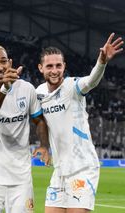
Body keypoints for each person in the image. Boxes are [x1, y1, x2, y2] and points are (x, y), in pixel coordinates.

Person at [36, 33, 123, 213]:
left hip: (82, 167)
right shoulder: (39, 93)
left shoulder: (72, 86)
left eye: (58, 65)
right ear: (40, 68)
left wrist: (102, 62)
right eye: (49, 66)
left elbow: (91, 81)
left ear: (64, 66)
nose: (54, 70)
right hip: (59, 170)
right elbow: (39, 121)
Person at [0, 45, 50, 213]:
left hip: (21, 179)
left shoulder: (26, 89)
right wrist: (5, 89)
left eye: (3, 61)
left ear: (10, 63)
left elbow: (39, 120)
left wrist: (43, 145)